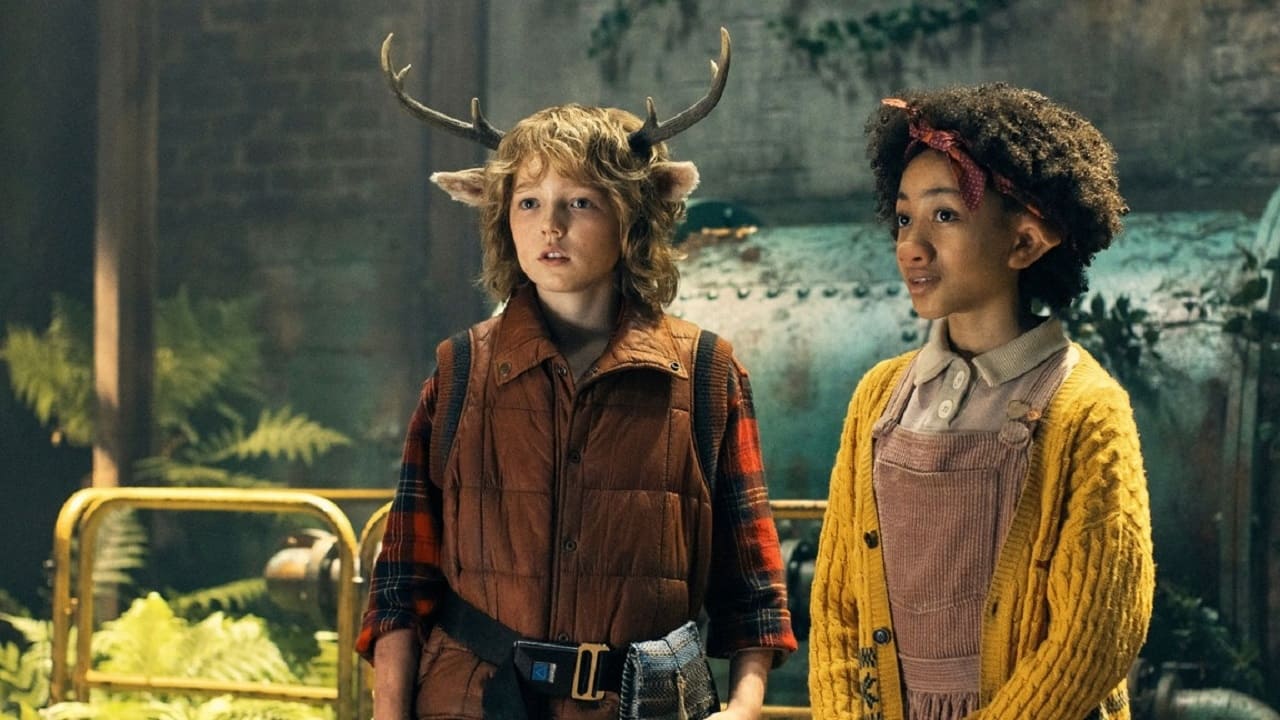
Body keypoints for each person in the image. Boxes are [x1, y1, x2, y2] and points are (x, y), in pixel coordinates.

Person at [358, 29, 796, 720]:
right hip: (475, 701)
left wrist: (742, 707)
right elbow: (401, 580)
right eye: (529, 202)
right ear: (500, 214)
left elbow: (752, 586)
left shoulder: (707, 373)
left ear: (633, 215)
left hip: (646, 704)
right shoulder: (459, 369)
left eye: (581, 202)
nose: (550, 227)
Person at [808, 83, 1155, 720]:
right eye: (904, 217)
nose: (912, 244)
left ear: (1025, 242)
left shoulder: (1086, 409)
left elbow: (1096, 635)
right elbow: (837, 604)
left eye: (944, 215)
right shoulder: (880, 398)